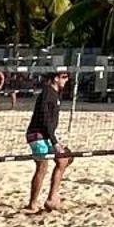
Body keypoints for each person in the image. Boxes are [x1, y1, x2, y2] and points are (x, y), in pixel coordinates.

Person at [25, 69, 72, 214]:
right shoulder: (47, 93)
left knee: (65, 159)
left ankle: (52, 198)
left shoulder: (55, 94)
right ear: (55, 78)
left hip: (45, 135)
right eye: (64, 77)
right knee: (42, 167)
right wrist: (54, 142)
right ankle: (32, 204)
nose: (66, 80)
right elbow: (45, 119)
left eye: (67, 77)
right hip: (37, 135)